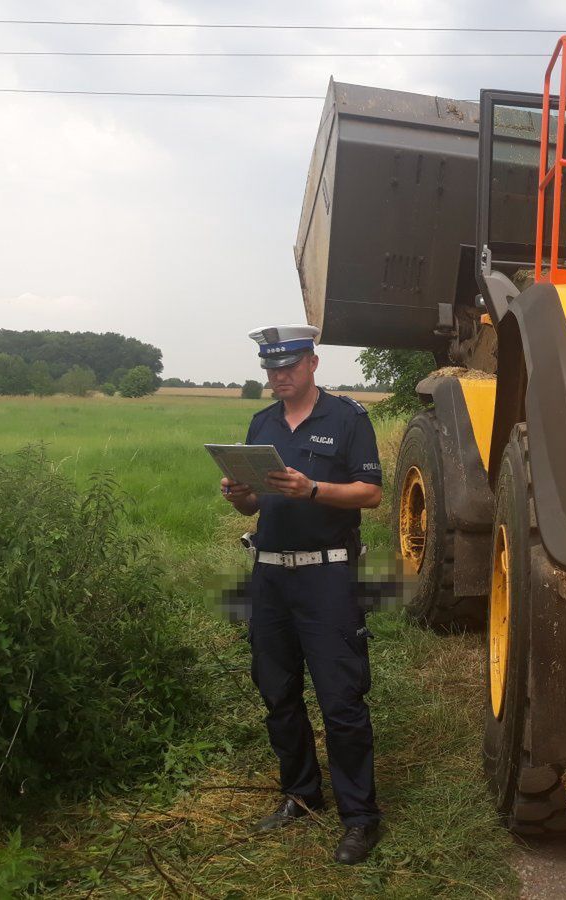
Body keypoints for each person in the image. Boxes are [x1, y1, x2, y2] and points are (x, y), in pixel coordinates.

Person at [221, 324, 385, 865]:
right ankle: (301, 794)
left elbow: (372, 493)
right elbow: (252, 509)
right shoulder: (262, 422)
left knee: (340, 699)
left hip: (327, 577)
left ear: (312, 364)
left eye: (287, 366)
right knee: (277, 692)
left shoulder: (347, 418)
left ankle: (360, 817)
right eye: (270, 368)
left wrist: (313, 488)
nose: (277, 376)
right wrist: (242, 496)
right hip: (270, 576)